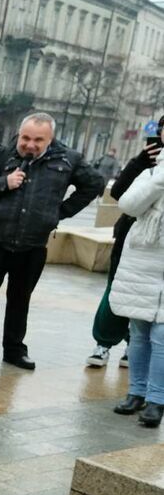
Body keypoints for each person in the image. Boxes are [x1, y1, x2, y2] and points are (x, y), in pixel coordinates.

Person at [0, 112, 103, 369]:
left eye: (38, 140)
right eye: (26, 138)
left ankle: (14, 351)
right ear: (19, 134)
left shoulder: (67, 160)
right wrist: (4, 183)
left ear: (50, 139)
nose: (30, 145)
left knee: (20, 301)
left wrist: (59, 212)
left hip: (32, 246)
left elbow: (94, 184)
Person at [86, 134, 161, 368]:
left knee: (150, 302)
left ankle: (133, 345)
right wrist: (139, 163)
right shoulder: (146, 163)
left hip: (158, 248)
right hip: (132, 237)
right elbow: (119, 192)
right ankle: (104, 343)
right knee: (117, 289)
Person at [109, 160, 164, 427]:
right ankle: (136, 392)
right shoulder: (152, 171)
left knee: (162, 335)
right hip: (142, 262)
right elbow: (129, 205)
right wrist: (159, 181)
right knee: (139, 331)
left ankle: (157, 400)